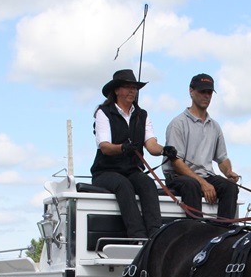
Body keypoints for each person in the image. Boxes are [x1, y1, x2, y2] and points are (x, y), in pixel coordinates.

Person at [91, 69, 169, 239]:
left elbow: (151, 145)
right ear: (117, 90)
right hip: (105, 171)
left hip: (132, 170)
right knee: (123, 185)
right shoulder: (103, 113)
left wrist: (164, 150)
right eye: (127, 87)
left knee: (147, 184)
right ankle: (138, 236)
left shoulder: (142, 115)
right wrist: (122, 148)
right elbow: (104, 146)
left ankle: (156, 234)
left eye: (134, 87)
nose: (132, 91)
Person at [163, 73, 240, 219]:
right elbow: (176, 163)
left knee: (230, 187)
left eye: (209, 92)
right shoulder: (178, 124)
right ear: (191, 91)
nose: (206, 96)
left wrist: (228, 172)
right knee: (192, 185)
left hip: (205, 176)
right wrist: (203, 183)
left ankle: (222, 233)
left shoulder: (215, 126)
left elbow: (222, 159)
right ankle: (195, 232)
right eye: (202, 91)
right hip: (178, 176)